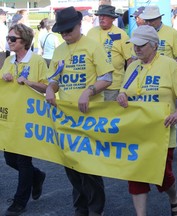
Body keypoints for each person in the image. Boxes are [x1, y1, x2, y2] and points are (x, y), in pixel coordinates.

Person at [117, 24, 177, 216]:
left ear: (154, 45)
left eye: (141, 45)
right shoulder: (133, 66)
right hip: (136, 130)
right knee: (135, 173)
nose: (136, 49)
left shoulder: (169, 65)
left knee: (161, 174)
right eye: (134, 45)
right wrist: (122, 96)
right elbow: (124, 90)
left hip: (162, 131)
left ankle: (174, 197)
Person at [45, 6, 114, 216]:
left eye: (68, 30)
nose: (65, 35)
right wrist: (50, 88)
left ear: (78, 25)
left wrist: (89, 91)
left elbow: (107, 78)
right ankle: (81, 207)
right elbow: (54, 79)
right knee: (71, 164)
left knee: (90, 167)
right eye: (62, 32)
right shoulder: (59, 51)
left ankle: (95, 209)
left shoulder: (93, 47)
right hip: (66, 117)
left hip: (90, 117)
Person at [1, 23, 47, 216]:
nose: (9, 42)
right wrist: (4, 77)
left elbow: (47, 88)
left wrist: (27, 82)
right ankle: (37, 176)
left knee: (23, 161)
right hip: (11, 119)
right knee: (9, 159)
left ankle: (20, 202)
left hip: (29, 119)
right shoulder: (9, 61)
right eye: (8, 38)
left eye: (13, 39)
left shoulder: (36, 61)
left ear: (25, 42)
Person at [87, 4, 132, 101]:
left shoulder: (121, 34)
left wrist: (126, 85)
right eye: (100, 15)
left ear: (112, 18)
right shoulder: (91, 33)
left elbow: (130, 60)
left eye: (105, 15)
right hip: (93, 85)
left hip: (113, 86)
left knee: (112, 115)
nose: (101, 18)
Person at [139, 5, 177, 70]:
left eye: (152, 20)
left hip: (166, 74)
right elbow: (134, 58)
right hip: (145, 75)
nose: (149, 23)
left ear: (160, 18)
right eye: (146, 20)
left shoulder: (172, 33)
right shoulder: (140, 33)